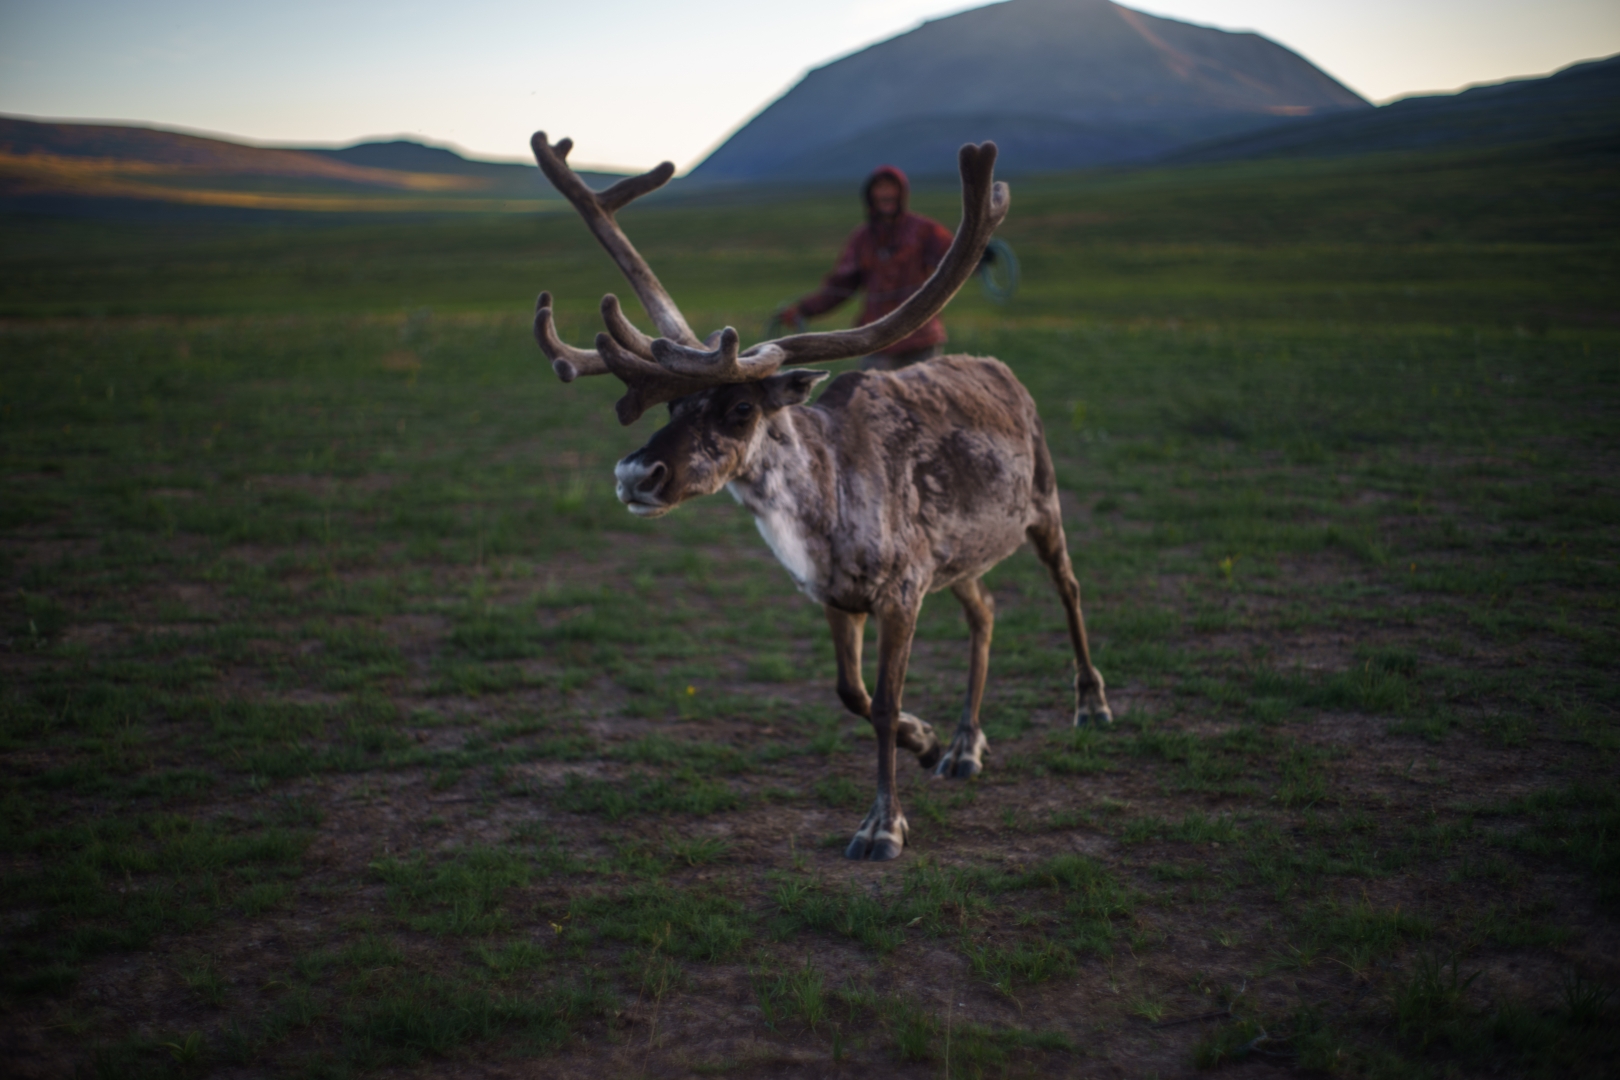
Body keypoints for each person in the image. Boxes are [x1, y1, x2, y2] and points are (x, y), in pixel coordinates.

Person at [777, 165, 956, 371]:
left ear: (902, 193)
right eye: (880, 188)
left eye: (891, 187)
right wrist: (804, 309)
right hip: (876, 340)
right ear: (871, 195)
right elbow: (839, 288)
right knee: (871, 399)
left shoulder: (924, 230)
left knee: (923, 399)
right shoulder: (862, 239)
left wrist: (979, 253)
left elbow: (953, 257)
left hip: (920, 337)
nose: (886, 193)